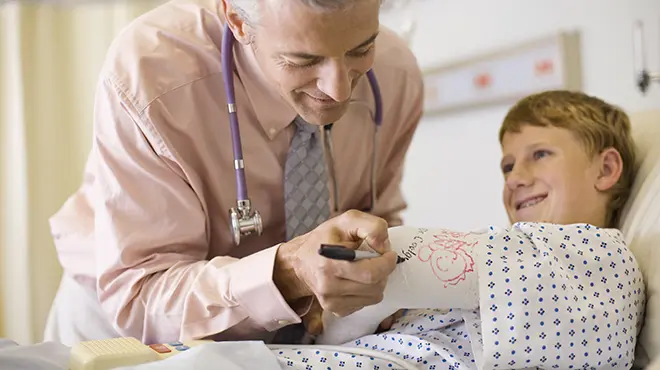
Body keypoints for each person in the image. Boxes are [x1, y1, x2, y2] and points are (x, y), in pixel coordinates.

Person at [44, 0, 424, 346]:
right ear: (238, 21)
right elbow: (142, 295)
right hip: (126, 327)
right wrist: (287, 274)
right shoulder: (150, 73)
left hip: (299, 334)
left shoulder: (396, 75)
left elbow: (379, 219)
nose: (339, 90)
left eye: (361, 50)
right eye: (303, 60)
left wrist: (373, 278)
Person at [266, 90, 645, 369]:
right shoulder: (503, 248)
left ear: (606, 169)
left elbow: (405, 259)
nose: (515, 179)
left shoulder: (602, 256)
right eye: (507, 167)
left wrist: (359, 299)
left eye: (540, 155)